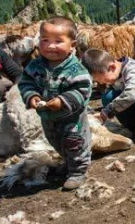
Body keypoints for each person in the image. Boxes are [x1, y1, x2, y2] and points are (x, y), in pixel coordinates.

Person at [18, 17, 93, 190]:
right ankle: (67, 162)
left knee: (75, 142)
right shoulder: (35, 66)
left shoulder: (76, 70)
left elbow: (82, 90)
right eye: (45, 40)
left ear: (72, 44)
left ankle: (78, 171)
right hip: (48, 117)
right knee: (55, 140)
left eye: (58, 41)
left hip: (72, 119)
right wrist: (31, 97)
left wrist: (62, 101)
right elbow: (26, 83)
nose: (51, 46)